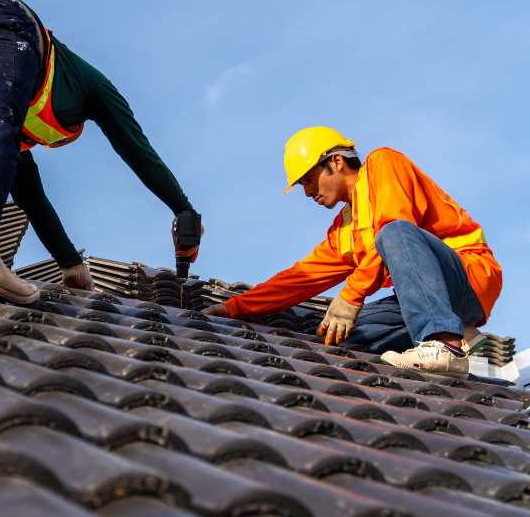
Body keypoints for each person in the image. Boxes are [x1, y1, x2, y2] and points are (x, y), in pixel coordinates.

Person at [0, 0, 202, 303]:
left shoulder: (13, 113)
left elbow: (31, 196)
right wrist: (183, 210)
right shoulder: (92, 86)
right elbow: (137, 149)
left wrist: (71, 264)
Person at [204, 127, 501, 376]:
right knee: (344, 336)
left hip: (469, 277)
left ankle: (446, 344)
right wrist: (236, 307)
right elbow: (300, 277)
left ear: (335, 161)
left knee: (393, 231)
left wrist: (351, 295)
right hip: (430, 298)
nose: (307, 192)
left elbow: (396, 226)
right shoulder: (345, 229)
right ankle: (456, 332)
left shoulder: (383, 163)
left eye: (308, 179)